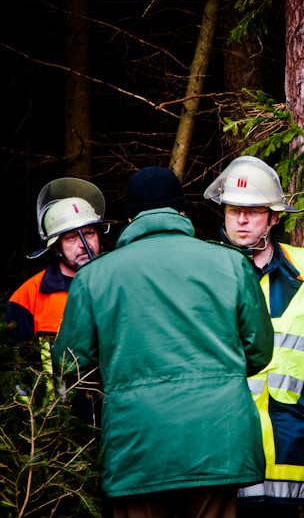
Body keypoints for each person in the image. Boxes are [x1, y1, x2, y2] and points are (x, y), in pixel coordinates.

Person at [53, 166, 274, 518]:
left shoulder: (93, 278)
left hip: (136, 442)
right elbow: (259, 351)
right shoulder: (231, 264)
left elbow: (70, 364)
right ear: (182, 212)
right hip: (218, 438)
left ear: (129, 219)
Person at [204, 155, 304, 517]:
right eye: (233, 210)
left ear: (274, 216)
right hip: (223, 439)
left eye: (252, 211)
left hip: (288, 440)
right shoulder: (204, 270)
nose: (241, 219)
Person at [5, 177, 105, 403]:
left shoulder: (118, 283)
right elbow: (15, 370)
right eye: (71, 238)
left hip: (114, 410)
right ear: (56, 247)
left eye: (89, 233)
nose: (83, 244)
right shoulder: (29, 295)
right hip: (58, 415)